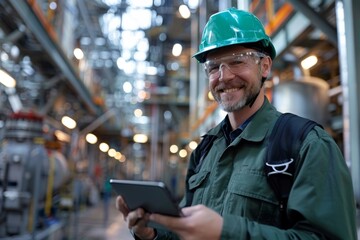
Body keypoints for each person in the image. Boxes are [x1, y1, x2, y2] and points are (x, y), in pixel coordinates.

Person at [116, 8, 357, 239]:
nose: (224, 76)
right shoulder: (205, 150)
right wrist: (153, 234)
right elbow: (187, 229)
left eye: (237, 61)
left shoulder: (306, 144)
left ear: (264, 66)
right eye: (213, 67)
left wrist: (226, 232)